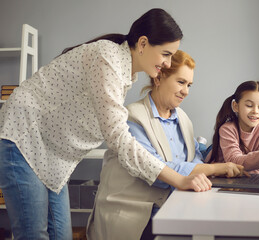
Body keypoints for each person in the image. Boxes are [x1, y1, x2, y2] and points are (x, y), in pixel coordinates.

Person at [0, 8, 212, 240]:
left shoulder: (124, 74)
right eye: (166, 54)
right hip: (23, 136)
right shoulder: (107, 58)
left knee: (61, 235)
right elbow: (119, 139)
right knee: (34, 234)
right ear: (142, 43)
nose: (168, 62)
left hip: (54, 156)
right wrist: (180, 179)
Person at [87, 50, 248, 240]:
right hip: (136, 212)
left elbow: (195, 155)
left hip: (172, 203)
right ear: (159, 78)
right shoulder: (132, 118)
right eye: (181, 82)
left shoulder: (181, 117)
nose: (186, 91)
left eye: (189, 85)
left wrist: (232, 137)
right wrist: (215, 167)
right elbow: (158, 170)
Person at [205, 81, 259, 174]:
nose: (255, 111)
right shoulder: (227, 129)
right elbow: (233, 161)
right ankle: (201, 143)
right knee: (202, 151)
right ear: (236, 106)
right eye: (249, 105)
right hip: (215, 153)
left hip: (235, 160)